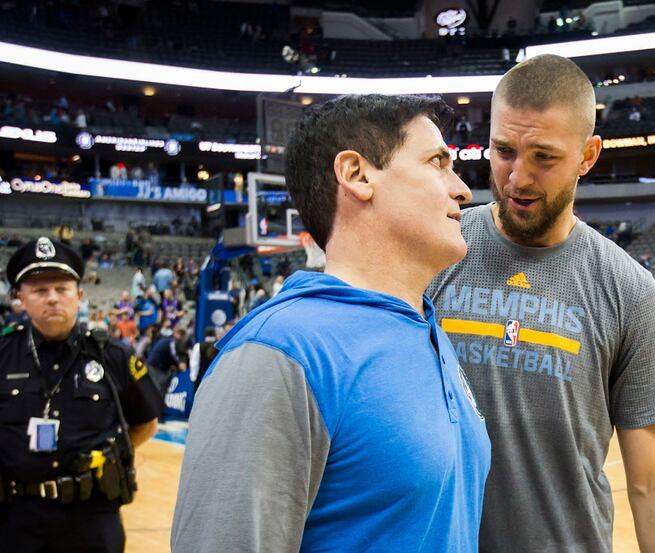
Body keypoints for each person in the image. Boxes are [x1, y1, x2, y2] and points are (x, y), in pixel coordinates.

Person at [172, 94, 490, 553]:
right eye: (437, 163)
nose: (461, 189)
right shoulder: (277, 353)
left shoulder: (428, 331)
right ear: (357, 175)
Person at [428, 54, 655, 553]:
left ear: (588, 155)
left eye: (544, 157)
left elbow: (652, 481)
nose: (517, 178)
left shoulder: (629, 289)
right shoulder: (436, 251)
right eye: (503, 150)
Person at [0, 237, 162, 552]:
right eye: (39, 290)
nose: (52, 299)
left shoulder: (112, 355)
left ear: (80, 295)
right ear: (20, 297)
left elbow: (146, 422)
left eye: (62, 289)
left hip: (91, 520)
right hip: (14, 520)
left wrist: (109, 456)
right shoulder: (3, 353)